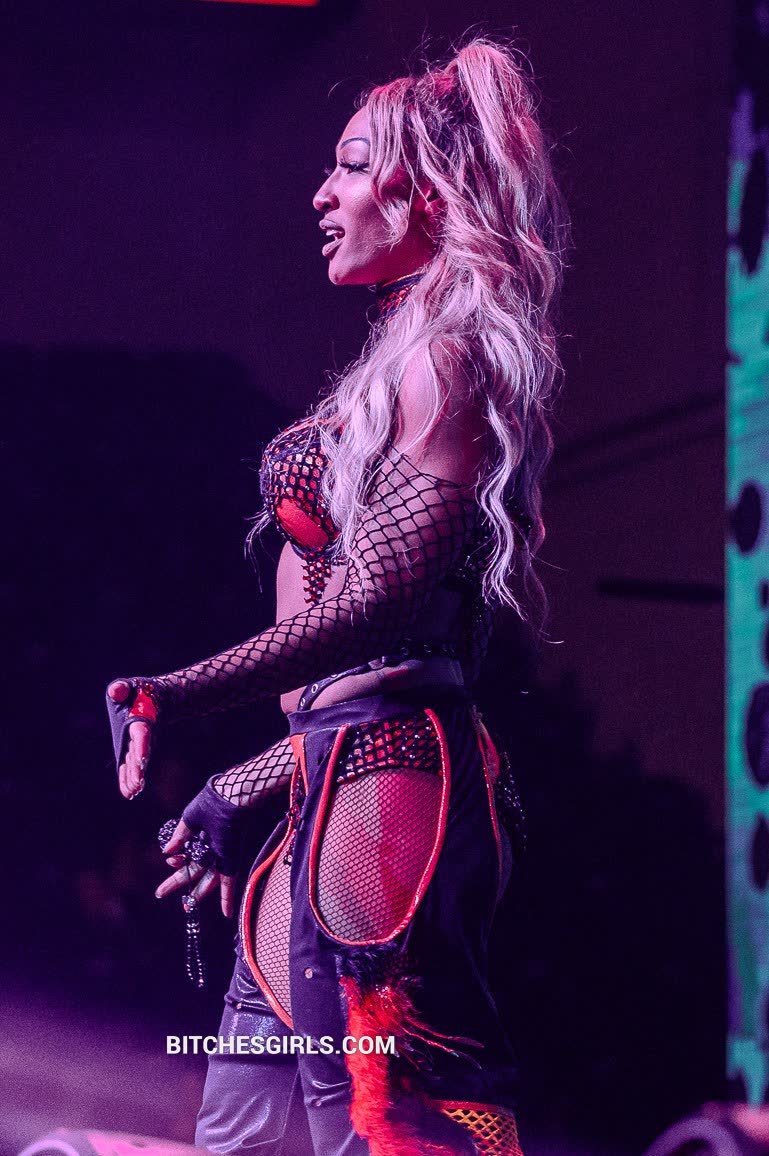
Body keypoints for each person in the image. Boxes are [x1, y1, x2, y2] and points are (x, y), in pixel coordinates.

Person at [106, 36, 569, 1156]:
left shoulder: (453, 358)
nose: (322, 193)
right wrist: (243, 780)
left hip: (387, 787)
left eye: (352, 166)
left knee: (372, 1116)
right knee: (245, 1121)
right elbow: (349, 674)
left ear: (426, 191)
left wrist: (170, 691)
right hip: (332, 778)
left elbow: (374, 616)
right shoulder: (397, 359)